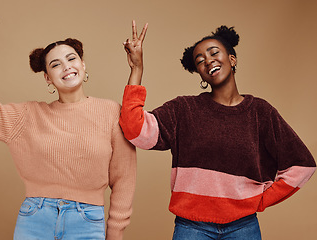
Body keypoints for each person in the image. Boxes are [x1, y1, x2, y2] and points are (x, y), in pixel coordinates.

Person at [120, 22, 316, 239]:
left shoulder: (260, 112)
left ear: (232, 59)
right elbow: (134, 129)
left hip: (244, 227)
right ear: (200, 75)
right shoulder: (183, 109)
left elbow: (302, 165)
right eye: (200, 61)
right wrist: (137, 69)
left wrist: (260, 200)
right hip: (191, 227)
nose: (208, 60)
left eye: (214, 52)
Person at [0, 16, 136, 240]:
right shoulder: (28, 115)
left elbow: (124, 178)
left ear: (83, 64)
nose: (66, 67)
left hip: (88, 221)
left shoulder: (112, 112)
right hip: (35, 217)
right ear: (47, 78)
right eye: (55, 64)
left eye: (71, 59)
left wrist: (115, 233)